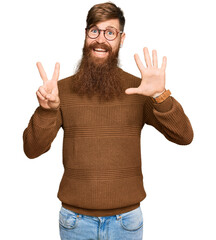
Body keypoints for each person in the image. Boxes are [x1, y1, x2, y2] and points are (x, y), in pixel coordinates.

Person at [23, 2, 193, 240]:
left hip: (126, 222)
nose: (100, 39)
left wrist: (159, 95)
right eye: (94, 30)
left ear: (121, 39)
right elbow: (31, 150)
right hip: (75, 222)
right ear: (85, 35)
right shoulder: (59, 91)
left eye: (110, 32)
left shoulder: (140, 90)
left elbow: (184, 136)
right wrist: (47, 111)